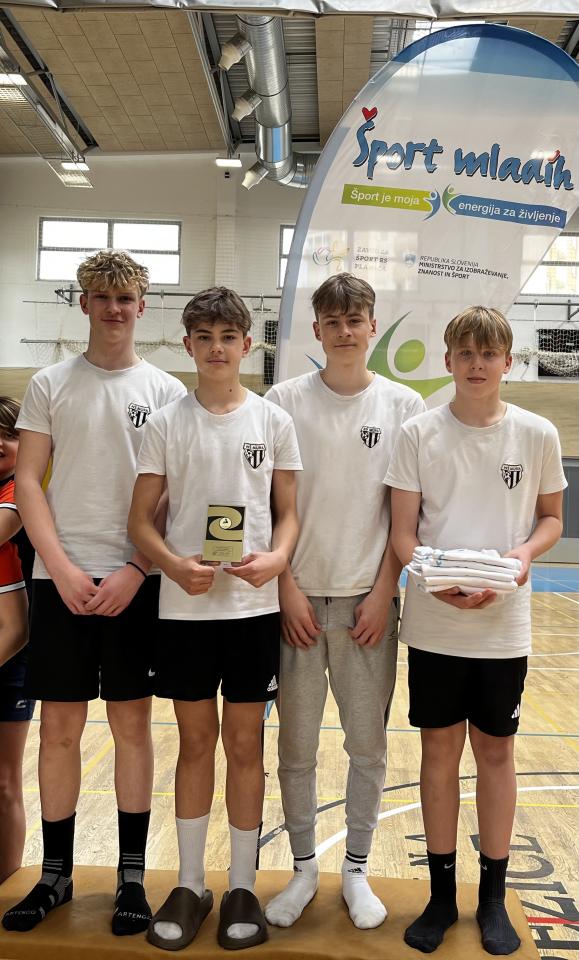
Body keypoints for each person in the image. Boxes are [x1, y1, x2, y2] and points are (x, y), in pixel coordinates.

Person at [2, 251, 186, 936]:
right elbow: (27, 482)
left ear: (143, 306)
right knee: (59, 730)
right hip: (62, 581)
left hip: (136, 582)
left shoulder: (166, 390)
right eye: (102, 297)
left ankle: (131, 878)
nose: (114, 308)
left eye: (125, 298)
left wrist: (137, 568)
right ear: (82, 304)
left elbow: (172, 492)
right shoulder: (50, 383)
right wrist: (61, 567)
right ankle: (55, 875)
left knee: (133, 727)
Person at [385, 306, 566, 956]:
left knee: (495, 753)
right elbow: (403, 534)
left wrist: (523, 555)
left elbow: (551, 519)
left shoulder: (537, 433)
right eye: (464, 353)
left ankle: (492, 898)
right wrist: (435, 579)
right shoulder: (417, 434)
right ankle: (440, 897)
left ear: (507, 362)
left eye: (488, 354)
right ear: (448, 361)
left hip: (502, 627)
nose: (476, 364)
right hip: (435, 625)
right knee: (438, 753)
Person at [128, 286, 302, 951]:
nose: (217, 348)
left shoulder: (273, 421)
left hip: (253, 609)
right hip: (186, 610)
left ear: (247, 345)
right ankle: (191, 882)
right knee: (195, 743)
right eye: (204, 337)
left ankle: (242, 886)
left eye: (228, 337)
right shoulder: (166, 423)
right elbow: (139, 523)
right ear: (188, 345)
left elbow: (288, 513)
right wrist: (174, 565)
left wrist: (277, 559)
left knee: (245, 746)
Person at [264, 273, 425, 931]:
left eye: (354, 319)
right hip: (297, 604)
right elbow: (269, 508)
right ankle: (304, 868)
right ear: (317, 330)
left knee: (367, 747)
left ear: (372, 325)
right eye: (332, 321)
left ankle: (355, 868)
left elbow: (405, 513)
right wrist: (284, 587)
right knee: (296, 749)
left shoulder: (405, 405)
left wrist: (385, 590)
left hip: (367, 606)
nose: (344, 331)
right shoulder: (282, 402)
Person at [0, 396, 35, 885]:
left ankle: (6, 886)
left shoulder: (21, 490)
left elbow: (18, 628)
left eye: (8, 435)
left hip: (13, 655)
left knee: (5, 782)